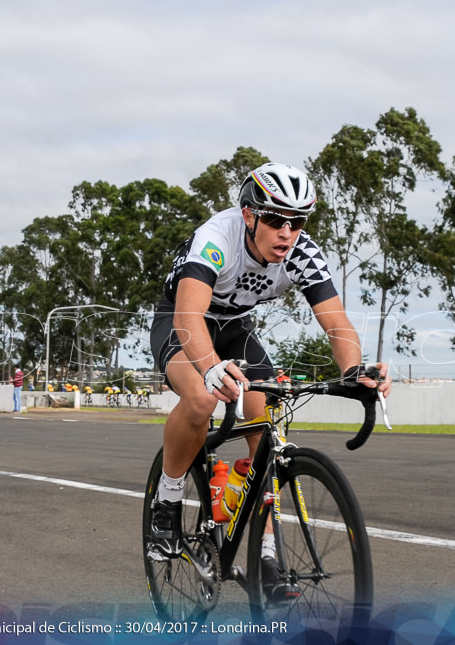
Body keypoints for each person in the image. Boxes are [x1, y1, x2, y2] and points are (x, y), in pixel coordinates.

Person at [148, 162, 392, 596]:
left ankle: (267, 556)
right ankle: (166, 501)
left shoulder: (301, 251)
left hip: (235, 328)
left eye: (297, 222)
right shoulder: (216, 238)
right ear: (249, 215)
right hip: (182, 323)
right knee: (203, 401)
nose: (287, 232)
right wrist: (210, 368)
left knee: (267, 421)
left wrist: (354, 371)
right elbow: (188, 315)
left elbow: (335, 322)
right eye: (276, 219)